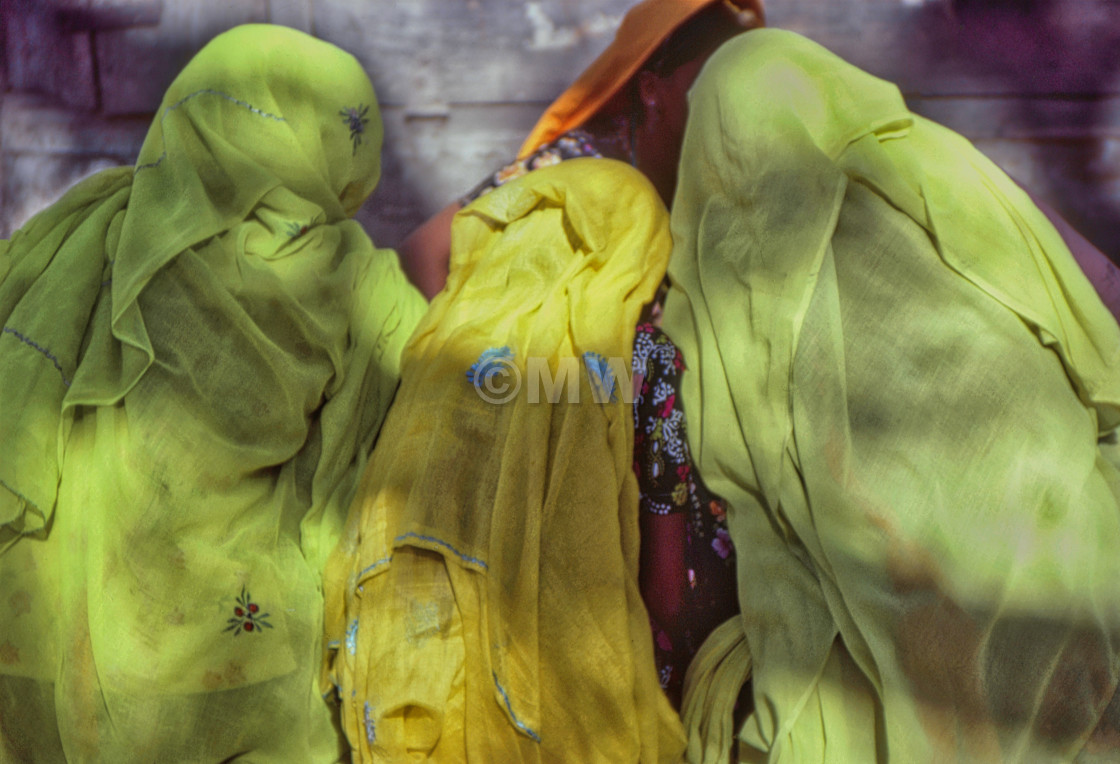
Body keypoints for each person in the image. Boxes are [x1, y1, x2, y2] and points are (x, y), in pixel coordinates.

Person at [664, 27, 1120, 763]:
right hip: (1069, 527)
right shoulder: (936, 167)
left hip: (914, 600)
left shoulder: (728, 290)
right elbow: (1091, 306)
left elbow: (750, 477)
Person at [0, 24, 426, 761]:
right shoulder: (358, 285)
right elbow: (370, 468)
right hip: (234, 666)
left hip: (49, 639)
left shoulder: (91, 230)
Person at [397, 0, 765, 716]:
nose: (727, 109)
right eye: (703, 87)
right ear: (650, 88)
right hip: (584, 432)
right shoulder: (577, 174)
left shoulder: (741, 176)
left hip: (671, 446)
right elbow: (424, 256)